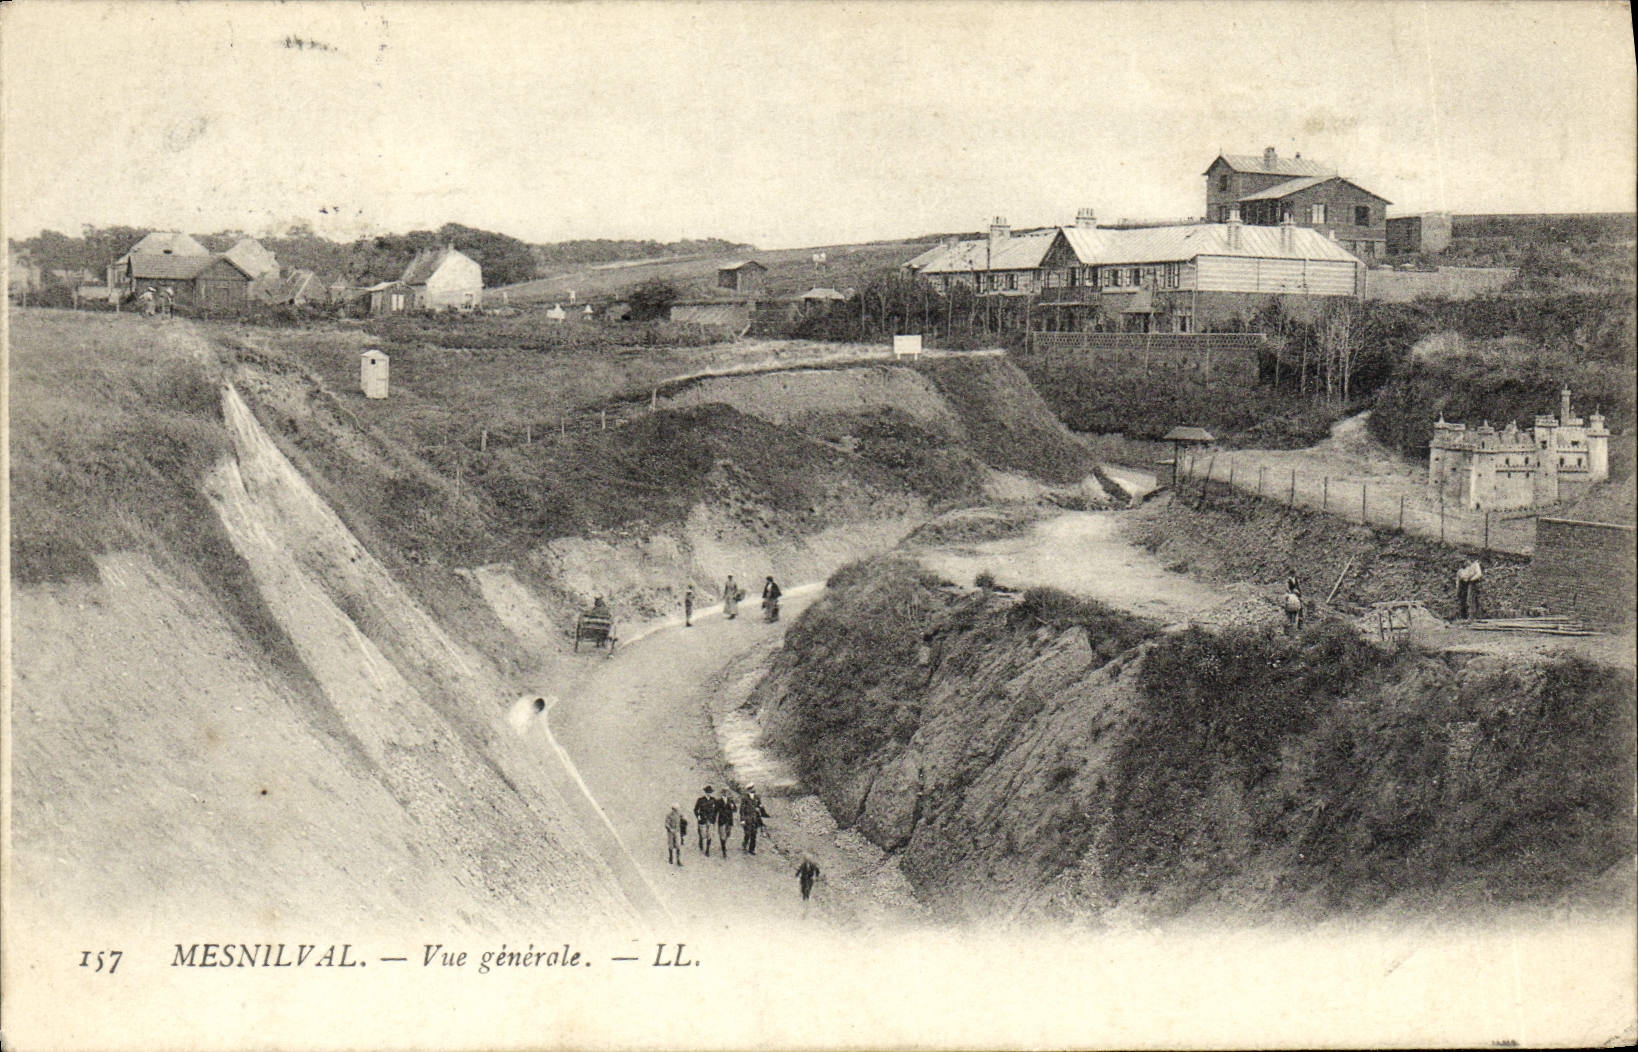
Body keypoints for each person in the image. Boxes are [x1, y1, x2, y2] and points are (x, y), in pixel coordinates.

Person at [739, 784, 769, 854]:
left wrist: (761, 810)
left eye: (753, 789)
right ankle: (745, 844)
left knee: (754, 834)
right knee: (747, 833)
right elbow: (742, 810)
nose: (753, 790)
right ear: (749, 790)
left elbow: (760, 806)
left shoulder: (757, 797)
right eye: (751, 789)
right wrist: (742, 819)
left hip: (755, 819)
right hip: (747, 818)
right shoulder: (745, 798)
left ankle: (751, 849)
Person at [693, 786, 718, 856]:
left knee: (709, 835)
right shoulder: (700, 800)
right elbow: (695, 809)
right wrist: (698, 816)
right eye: (707, 792)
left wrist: (714, 818)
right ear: (705, 792)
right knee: (702, 834)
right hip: (702, 820)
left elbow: (716, 810)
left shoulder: (713, 800)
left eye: (710, 792)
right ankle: (700, 840)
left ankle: (707, 850)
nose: (708, 794)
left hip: (710, 820)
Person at [714, 786, 736, 857]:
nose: (725, 793)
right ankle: (724, 851)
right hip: (722, 820)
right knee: (722, 835)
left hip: (729, 820)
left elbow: (735, 810)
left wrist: (733, 807)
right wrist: (713, 820)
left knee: (728, 834)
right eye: (724, 792)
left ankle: (724, 845)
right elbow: (715, 811)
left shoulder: (731, 801)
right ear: (722, 793)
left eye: (726, 792)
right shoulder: (718, 801)